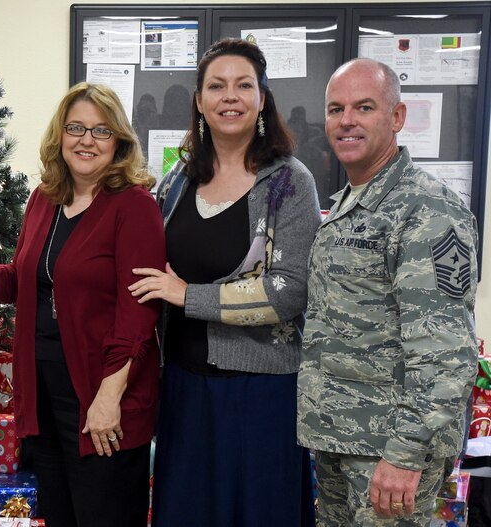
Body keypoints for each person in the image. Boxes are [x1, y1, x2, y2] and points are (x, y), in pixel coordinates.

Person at [0, 82, 165, 527]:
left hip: (101, 397)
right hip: (43, 393)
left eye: (101, 131)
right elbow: (25, 284)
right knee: (60, 515)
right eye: (76, 127)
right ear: (60, 135)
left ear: (118, 140)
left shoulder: (134, 207)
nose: (86, 140)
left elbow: (137, 316)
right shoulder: (44, 199)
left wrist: (107, 398)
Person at [130, 38, 320, 526]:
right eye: (216, 86)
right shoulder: (177, 180)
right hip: (185, 390)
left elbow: (289, 292)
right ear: (199, 101)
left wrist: (187, 295)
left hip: (261, 395)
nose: (228, 96)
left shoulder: (290, 182)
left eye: (243, 85)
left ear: (262, 98)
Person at [297, 58, 478, 526]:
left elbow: (445, 353)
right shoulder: (348, 204)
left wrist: (404, 454)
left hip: (389, 451)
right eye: (336, 109)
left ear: (396, 118)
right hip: (340, 437)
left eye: (364, 107)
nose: (347, 121)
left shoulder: (428, 210)